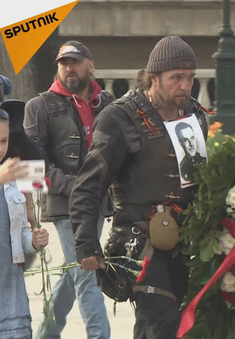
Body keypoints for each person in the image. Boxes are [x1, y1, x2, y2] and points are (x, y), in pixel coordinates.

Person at [69, 36, 209, 339]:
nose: (185, 85)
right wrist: (85, 243)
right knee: (164, 322)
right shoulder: (120, 118)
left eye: (190, 78)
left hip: (185, 242)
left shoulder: (196, 116)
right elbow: (88, 185)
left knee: (158, 327)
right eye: (176, 78)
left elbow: (200, 180)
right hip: (137, 243)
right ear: (154, 78)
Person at [24, 40, 115, 339]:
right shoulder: (39, 106)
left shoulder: (109, 103)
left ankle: (46, 333)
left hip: (100, 201)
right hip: (66, 202)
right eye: (63, 62)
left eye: (75, 62)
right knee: (88, 268)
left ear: (90, 66)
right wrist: (75, 186)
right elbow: (32, 165)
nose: (69, 68)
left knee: (75, 267)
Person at [0, 106, 50, 339]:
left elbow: (18, 234)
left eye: (3, 141)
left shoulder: (12, 182)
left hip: (11, 294)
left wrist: (33, 241)